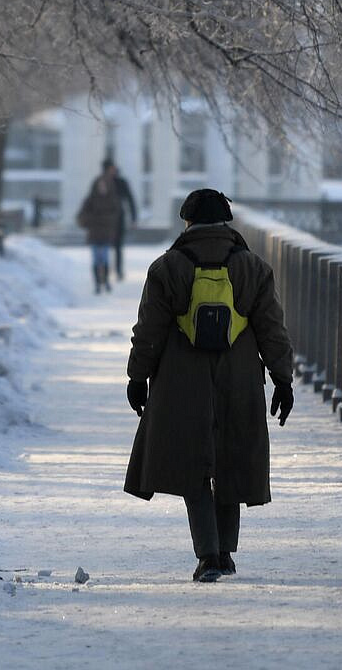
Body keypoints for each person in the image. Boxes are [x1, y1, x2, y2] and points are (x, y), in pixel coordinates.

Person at [123, 188, 296, 582]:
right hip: (239, 377)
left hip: (181, 379)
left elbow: (148, 330)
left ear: (187, 222)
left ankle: (208, 555)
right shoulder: (253, 268)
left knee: (195, 467)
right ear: (226, 222)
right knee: (229, 461)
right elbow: (273, 330)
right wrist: (282, 379)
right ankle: (226, 553)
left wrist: (137, 376)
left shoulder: (167, 267)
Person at [75, 173, 123, 294]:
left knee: (105, 259)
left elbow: (116, 216)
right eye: (100, 186)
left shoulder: (112, 200)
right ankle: (97, 283)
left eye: (104, 186)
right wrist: (95, 220)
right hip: (94, 234)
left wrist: (100, 219)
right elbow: (82, 216)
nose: (102, 188)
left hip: (106, 234)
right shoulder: (90, 200)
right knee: (96, 259)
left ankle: (105, 280)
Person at [100, 159, 138, 282]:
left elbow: (130, 199)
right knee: (104, 246)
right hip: (104, 220)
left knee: (118, 246)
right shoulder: (100, 182)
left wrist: (134, 217)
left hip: (118, 219)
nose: (112, 170)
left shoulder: (121, 182)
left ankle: (118, 270)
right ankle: (104, 272)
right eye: (110, 168)